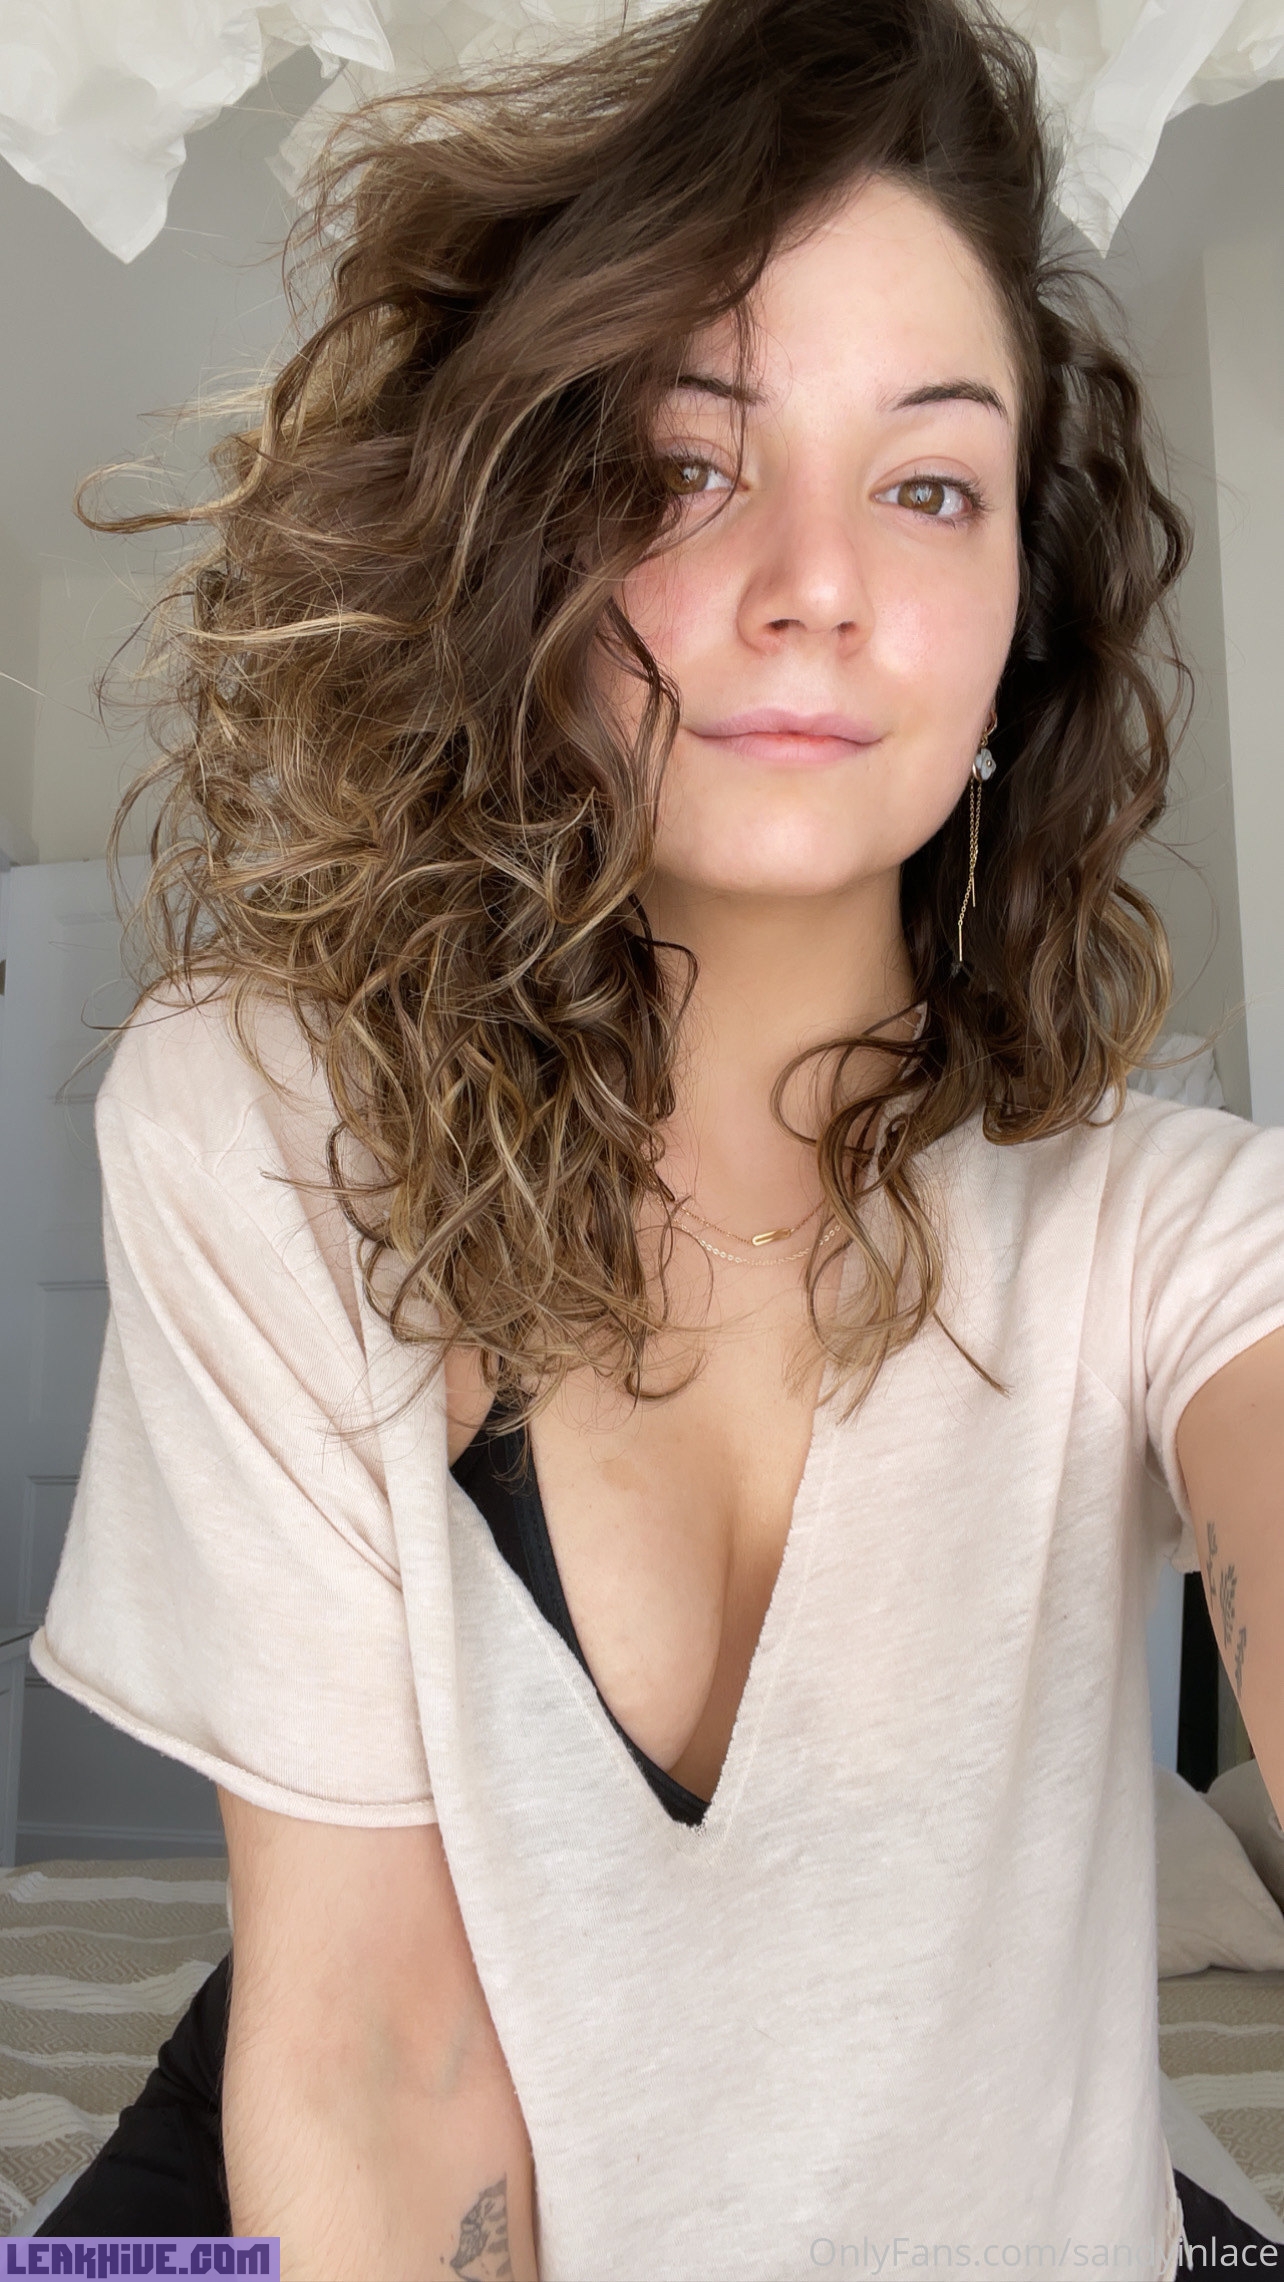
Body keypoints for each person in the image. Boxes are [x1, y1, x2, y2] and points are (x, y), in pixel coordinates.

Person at [28, 0, 1284, 2272]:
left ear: (1018, 627)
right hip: (322, 2120)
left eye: (929, 483)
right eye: (692, 464)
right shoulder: (261, 1119)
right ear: (532, 550)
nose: (820, 577)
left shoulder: (1165, 1223)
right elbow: (378, 2053)